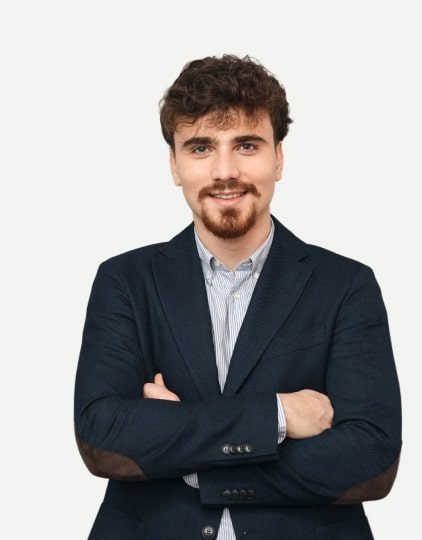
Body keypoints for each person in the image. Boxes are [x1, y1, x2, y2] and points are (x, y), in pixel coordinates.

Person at [74, 54, 402, 540]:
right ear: (175, 165)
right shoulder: (125, 281)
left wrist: (186, 449)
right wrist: (277, 416)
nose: (225, 171)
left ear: (278, 158)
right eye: (201, 148)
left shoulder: (346, 286)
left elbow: (372, 458)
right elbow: (101, 436)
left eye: (246, 145)